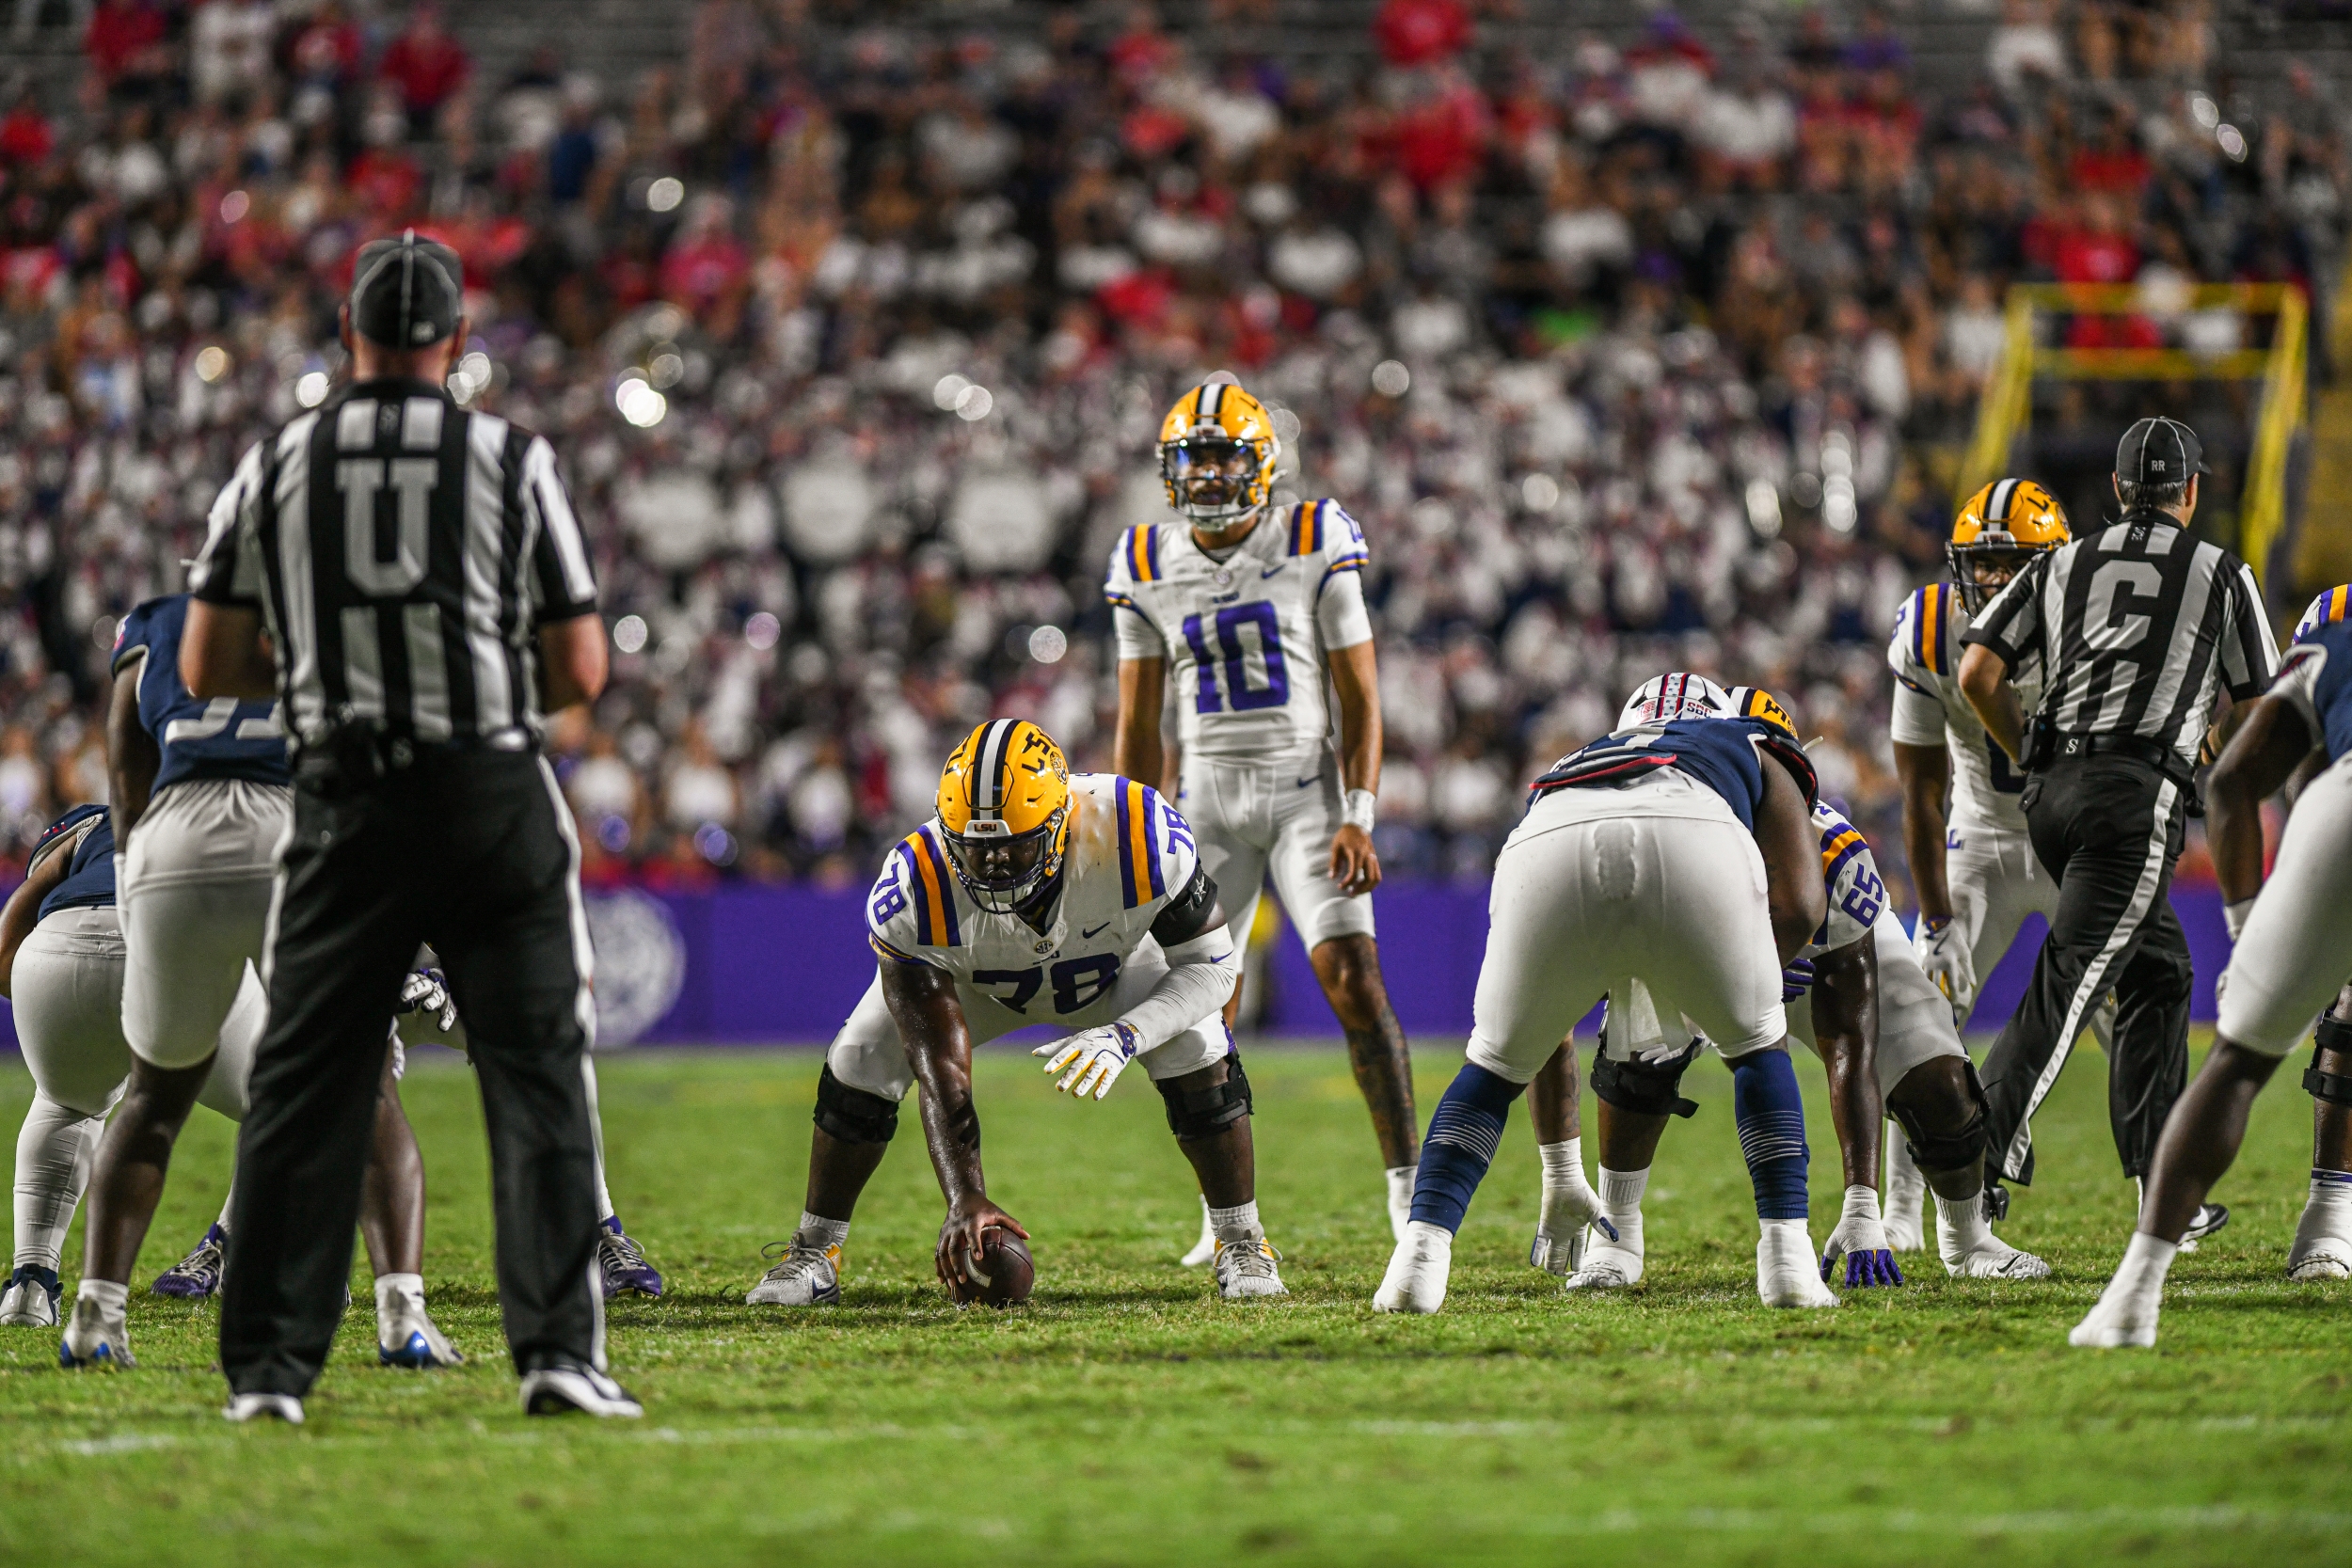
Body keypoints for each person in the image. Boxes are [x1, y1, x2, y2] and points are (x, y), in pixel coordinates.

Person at [181, 230, 626, 1422]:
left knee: (307, 1077)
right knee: (536, 1073)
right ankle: (557, 1356)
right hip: (487, 788)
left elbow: (209, 655)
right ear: (458, 343)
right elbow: (580, 664)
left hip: (343, 795)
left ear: (350, 333)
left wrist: (335, 664)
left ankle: (269, 1371)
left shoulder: (278, 459)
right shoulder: (508, 458)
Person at [1518, 675, 2048, 1291]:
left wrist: (1860, 1201)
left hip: (1812, 954)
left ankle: (1965, 1235)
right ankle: (1620, 1234)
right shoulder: (1605, 837)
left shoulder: (1827, 853)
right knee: (1638, 1042)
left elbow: (1852, 1032)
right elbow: (1539, 1009)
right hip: (1693, 930)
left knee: (1940, 1086)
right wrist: (1559, 1170)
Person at [742, 720, 1279, 1305]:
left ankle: (1241, 1240)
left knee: (1197, 1042)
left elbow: (1213, 969)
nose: (994, 862)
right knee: (862, 1055)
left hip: (1115, 968)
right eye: (975, 844)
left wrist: (1126, 1036)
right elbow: (940, 1069)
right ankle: (815, 1251)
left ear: (1060, 821)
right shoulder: (916, 883)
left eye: (1012, 842)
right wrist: (964, 1195)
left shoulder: (1135, 830)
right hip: (981, 984)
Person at [1374, 687, 1837, 1314]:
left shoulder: (1587, 753)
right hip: (1691, 828)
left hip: (1545, 837)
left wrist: (1562, 1169)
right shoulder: (1746, 738)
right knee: (1758, 1045)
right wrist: (1739, 986)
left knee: (1490, 1067)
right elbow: (1805, 905)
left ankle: (1418, 1258)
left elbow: (1551, 1030)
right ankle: (1787, 1260)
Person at [1105, 380, 1419, 1258]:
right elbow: (1139, 722)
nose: (1207, 473)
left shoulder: (1315, 536)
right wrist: (1136, 831)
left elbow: (1360, 693)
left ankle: (1408, 1194)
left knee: (1353, 978)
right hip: (1204, 796)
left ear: (1261, 463)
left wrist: (1358, 810)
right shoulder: (1141, 559)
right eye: (1191, 457)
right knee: (1203, 1005)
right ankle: (1225, 1216)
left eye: (1223, 454)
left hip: (1304, 789)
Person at [1957, 417, 2276, 1228]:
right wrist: (2207, 741)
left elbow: (1977, 671)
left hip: (2054, 792)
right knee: (2072, 980)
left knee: (2160, 970)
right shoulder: (2221, 571)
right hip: (2135, 796)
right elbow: (2265, 703)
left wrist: (2029, 749)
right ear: (2193, 492)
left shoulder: (2064, 561)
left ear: (2117, 490)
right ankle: (1968, 1156)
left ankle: (2165, 1180)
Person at [0, 806, 456, 1369]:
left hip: (49, 950)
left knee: (65, 1103)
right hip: (169, 946)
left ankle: (31, 1283)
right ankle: (283, 1264)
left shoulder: (94, 822)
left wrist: (74, 1013)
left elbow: (4, 951)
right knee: (304, 1100)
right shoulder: (263, 805)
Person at [2072, 589, 2352, 1345]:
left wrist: (2248, 927)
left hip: (2342, 813)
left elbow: (2231, 780)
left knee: (2237, 1062)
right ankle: (2330, 1213)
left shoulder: (2335, 633)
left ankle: (2134, 1294)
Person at [1887, 479, 2114, 1243]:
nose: (1992, 579)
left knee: (2128, 1010)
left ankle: (2163, 1196)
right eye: (1982, 563)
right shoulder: (1931, 630)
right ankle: (1897, 1210)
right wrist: (1940, 915)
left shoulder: (2094, 617)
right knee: (1921, 1003)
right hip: (1980, 836)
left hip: (2069, 837)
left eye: (2012, 561)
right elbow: (1921, 790)